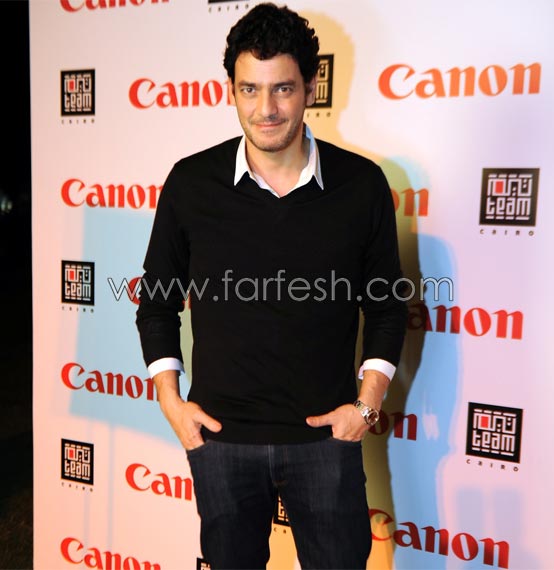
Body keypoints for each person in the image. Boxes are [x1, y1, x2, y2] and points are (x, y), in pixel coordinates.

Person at [136, 3, 408, 568]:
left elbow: (387, 309)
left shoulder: (360, 185)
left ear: (310, 87)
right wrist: (170, 401)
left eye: (282, 88)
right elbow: (156, 302)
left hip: (326, 443)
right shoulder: (192, 183)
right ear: (231, 91)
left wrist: (366, 407)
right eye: (249, 90)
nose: (265, 110)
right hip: (219, 442)